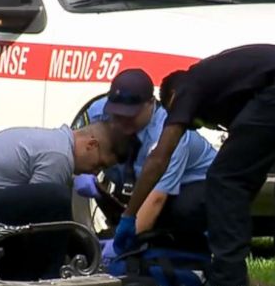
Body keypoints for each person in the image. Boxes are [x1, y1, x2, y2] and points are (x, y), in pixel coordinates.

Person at [122, 44, 275, 286]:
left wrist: (128, 215)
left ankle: (228, 279)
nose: (196, 126)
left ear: (173, 99)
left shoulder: (187, 87)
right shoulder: (227, 85)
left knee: (224, 181)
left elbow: (159, 158)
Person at [74, 69, 215, 251]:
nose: (123, 121)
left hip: (198, 187)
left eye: (130, 115)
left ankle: (186, 258)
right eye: (117, 114)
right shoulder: (98, 112)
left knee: (179, 211)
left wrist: (118, 249)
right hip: (144, 186)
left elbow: (156, 198)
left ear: (150, 104)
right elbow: (74, 146)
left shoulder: (169, 133)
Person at [0, 122, 123, 280]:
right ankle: (46, 278)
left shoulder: (57, 143)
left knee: (55, 202)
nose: (96, 172)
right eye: (99, 164)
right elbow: (43, 221)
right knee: (56, 198)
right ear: (91, 145)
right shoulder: (60, 156)